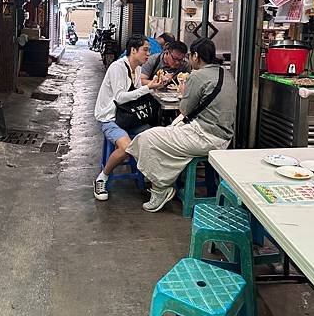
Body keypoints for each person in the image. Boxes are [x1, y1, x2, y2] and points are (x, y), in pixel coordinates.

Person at [127, 38, 237, 213]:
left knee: (147, 138)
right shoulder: (226, 74)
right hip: (224, 137)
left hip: (205, 137)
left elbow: (185, 110)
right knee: (167, 134)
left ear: (195, 56)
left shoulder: (197, 75)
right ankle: (168, 180)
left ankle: (160, 189)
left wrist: (185, 92)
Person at [94, 33, 167, 201]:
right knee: (126, 148)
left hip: (128, 117)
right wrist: (148, 88)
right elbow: (120, 97)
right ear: (133, 50)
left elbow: (136, 90)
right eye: (145, 50)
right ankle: (102, 178)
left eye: (149, 51)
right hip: (111, 117)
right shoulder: (117, 67)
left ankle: (156, 182)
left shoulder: (138, 67)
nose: (148, 54)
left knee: (156, 138)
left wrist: (155, 84)